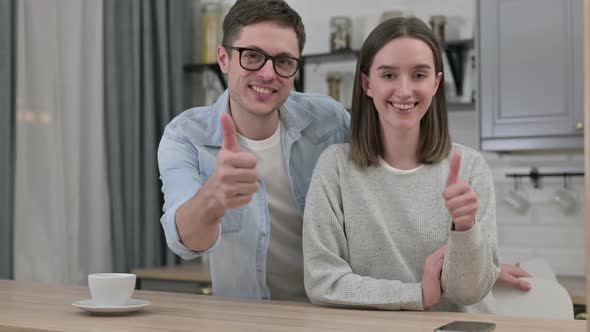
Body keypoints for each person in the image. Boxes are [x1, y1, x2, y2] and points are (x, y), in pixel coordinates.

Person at [158, 0, 530, 302]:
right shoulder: (185, 137)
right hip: (252, 312)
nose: (268, 73)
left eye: (284, 61)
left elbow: (393, 171)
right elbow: (183, 242)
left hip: (335, 313)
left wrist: (477, 258)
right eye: (252, 56)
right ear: (223, 58)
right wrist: (213, 198)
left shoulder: (328, 121)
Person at [302, 17, 503, 313]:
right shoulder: (335, 168)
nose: (405, 90)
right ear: (367, 83)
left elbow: (469, 293)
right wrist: (416, 293)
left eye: (419, 75)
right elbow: (322, 281)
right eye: (389, 75)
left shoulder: (470, 169)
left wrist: (465, 227)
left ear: (436, 83)